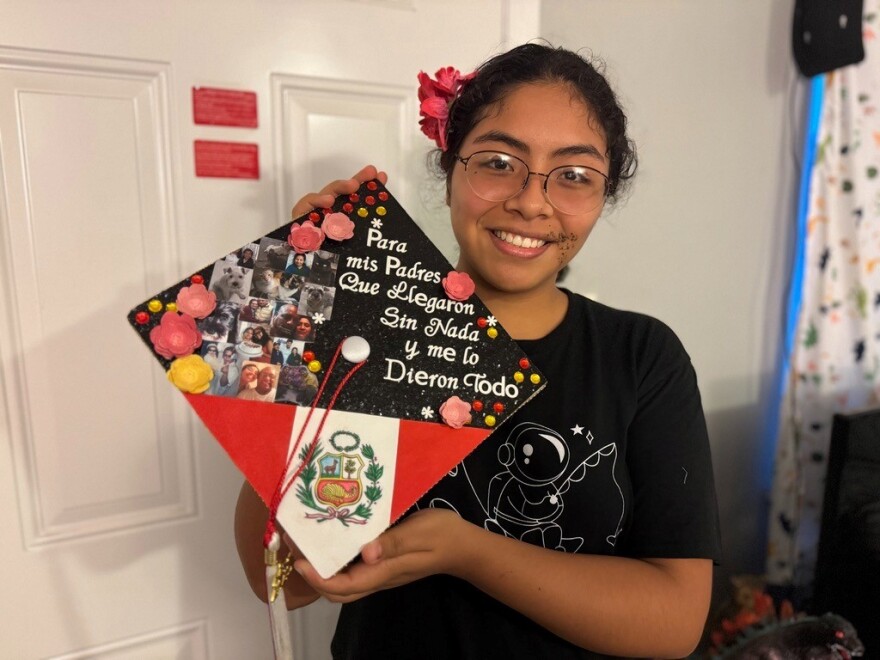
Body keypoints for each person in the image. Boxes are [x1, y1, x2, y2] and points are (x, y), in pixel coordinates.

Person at [235, 43, 720, 659]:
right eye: (498, 162)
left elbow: (674, 623)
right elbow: (276, 579)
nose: (530, 201)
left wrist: (470, 553)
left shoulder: (640, 356)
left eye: (573, 175)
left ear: (605, 194)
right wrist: (324, 312)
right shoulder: (380, 333)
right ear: (451, 169)